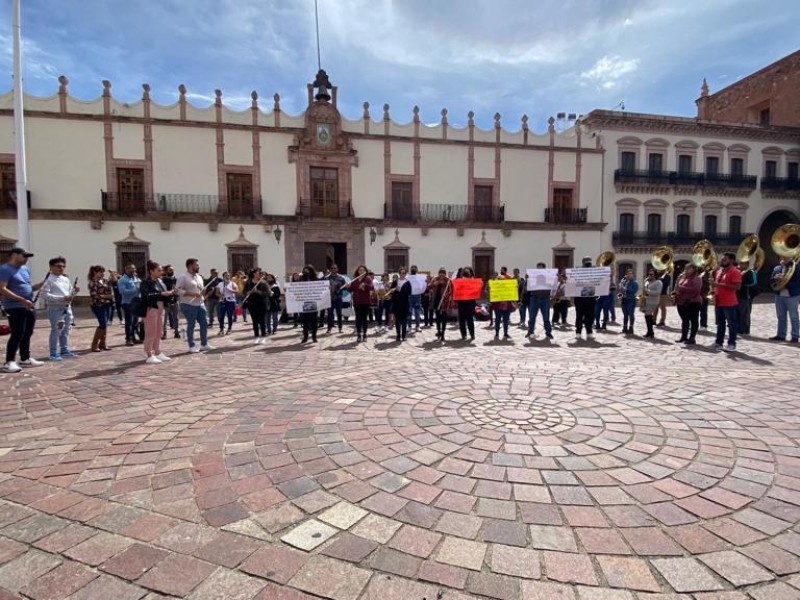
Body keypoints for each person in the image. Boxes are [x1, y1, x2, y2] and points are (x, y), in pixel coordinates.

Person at [0, 247, 44, 373]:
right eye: (24, 256)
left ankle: (25, 358)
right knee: (17, 333)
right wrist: (22, 300)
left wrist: (40, 285)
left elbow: (27, 287)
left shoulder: (24, 269)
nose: (26, 259)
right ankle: (9, 362)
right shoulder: (4, 269)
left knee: (28, 332)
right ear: (14, 255)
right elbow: (2, 289)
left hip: (28, 306)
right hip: (14, 307)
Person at [40, 256, 79, 361]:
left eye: (63, 266)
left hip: (67, 307)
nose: (61, 268)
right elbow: (44, 295)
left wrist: (75, 292)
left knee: (66, 330)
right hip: (55, 308)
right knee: (56, 330)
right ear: (51, 267)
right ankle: (53, 352)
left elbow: (70, 293)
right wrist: (60, 298)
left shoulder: (65, 279)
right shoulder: (48, 280)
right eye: (58, 266)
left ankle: (64, 350)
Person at [175, 258, 216, 354]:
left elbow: (201, 289)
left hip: (200, 303)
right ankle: (192, 345)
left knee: (204, 323)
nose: (199, 266)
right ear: (190, 266)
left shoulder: (199, 277)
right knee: (191, 324)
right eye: (196, 265)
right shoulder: (183, 276)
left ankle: (204, 344)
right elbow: (177, 290)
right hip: (188, 304)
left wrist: (205, 292)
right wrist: (191, 294)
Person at [140, 260, 176, 364]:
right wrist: (161, 294)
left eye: (161, 270)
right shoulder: (146, 282)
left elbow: (163, 295)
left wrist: (171, 294)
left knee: (159, 331)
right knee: (150, 332)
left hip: (161, 308)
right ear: (151, 271)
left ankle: (158, 351)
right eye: (158, 270)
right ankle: (149, 354)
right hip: (151, 308)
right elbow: (145, 296)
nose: (161, 272)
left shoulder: (160, 281)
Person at [709, 252, 742, 352]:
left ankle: (732, 343)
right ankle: (719, 342)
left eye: (725, 259)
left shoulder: (735, 271)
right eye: (722, 259)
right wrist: (713, 291)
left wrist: (718, 285)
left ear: (731, 261)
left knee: (732, 324)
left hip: (729, 302)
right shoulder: (719, 271)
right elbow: (717, 285)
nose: (722, 261)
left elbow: (737, 287)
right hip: (719, 301)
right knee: (720, 324)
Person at [769, 257, 800, 343]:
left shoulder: (797, 268)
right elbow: (771, 280)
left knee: (794, 316)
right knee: (780, 316)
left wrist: (785, 282)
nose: (783, 258)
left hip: (791, 295)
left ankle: (795, 335)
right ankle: (781, 335)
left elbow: (798, 282)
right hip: (779, 295)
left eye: (786, 256)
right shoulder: (777, 268)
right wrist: (775, 278)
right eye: (782, 256)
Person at [87, 265, 114, 352]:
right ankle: (94, 345)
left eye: (103, 272)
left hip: (107, 304)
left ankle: (103, 343)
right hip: (98, 305)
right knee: (102, 324)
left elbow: (114, 281)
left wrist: (113, 274)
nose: (102, 274)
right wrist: (107, 296)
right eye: (100, 272)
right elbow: (94, 295)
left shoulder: (105, 281)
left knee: (105, 324)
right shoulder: (93, 282)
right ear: (95, 272)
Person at [674, 264, 702, 345]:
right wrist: (678, 281)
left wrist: (681, 288)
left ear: (694, 270)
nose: (686, 270)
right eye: (685, 269)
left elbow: (695, 290)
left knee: (694, 320)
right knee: (685, 320)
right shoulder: (683, 278)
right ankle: (684, 336)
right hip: (681, 302)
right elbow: (677, 288)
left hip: (693, 302)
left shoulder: (697, 278)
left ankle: (692, 338)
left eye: (688, 269)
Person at [345, 265, 374, 342]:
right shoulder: (355, 280)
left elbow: (371, 287)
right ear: (357, 271)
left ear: (365, 271)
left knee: (364, 318)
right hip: (357, 302)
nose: (361, 271)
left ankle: (364, 334)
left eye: (363, 270)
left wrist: (365, 285)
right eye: (360, 270)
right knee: (358, 318)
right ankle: (358, 335)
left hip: (365, 301)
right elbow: (351, 290)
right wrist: (347, 286)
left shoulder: (368, 278)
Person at [573, 256, 598, 341]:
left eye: (589, 262)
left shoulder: (595, 271)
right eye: (587, 262)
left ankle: (589, 332)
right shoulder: (577, 271)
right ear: (583, 263)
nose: (588, 264)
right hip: (580, 298)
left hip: (591, 298)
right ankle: (578, 332)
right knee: (579, 316)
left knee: (590, 316)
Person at [527, 262, 553, 339]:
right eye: (538, 268)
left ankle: (548, 332)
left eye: (541, 268)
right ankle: (530, 331)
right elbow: (528, 288)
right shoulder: (533, 277)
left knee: (546, 318)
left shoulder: (549, 277)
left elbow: (552, 286)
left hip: (545, 299)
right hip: (534, 299)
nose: (539, 270)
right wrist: (528, 279)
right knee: (532, 317)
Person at [118, 263, 142, 346]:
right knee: (129, 322)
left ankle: (133, 337)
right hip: (127, 303)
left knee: (135, 322)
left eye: (134, 269)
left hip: (136, 303)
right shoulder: (122, 280)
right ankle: (128, 339)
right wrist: (135, 290)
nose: (133, 270)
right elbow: (123, 291)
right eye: (131, 269)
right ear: (126, 270)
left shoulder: (137, 279)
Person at [243, 269, 268, 344]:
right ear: (254, 274)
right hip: (252, 303)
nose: (260, 274)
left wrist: (258, 291)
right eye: (258, 272)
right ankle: (256, 336)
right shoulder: (249, 282)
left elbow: (267, 293)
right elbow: (244, 292)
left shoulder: (263, 282)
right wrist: (248, 292)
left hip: (262, 303)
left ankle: (263, 336)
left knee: (262, 320)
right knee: (255, 321)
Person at [428, 268, 452, 341]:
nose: (442, 275)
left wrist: (446, 295)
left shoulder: (448, 280)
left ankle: (443, 333)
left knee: (444, 317)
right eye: (440, 273)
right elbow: (429, 286)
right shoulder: (435, 279)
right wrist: (433, 285)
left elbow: (451, 290)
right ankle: (439, 330)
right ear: (439, 274)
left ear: (445, 274)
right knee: (438, 317)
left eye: (443, 273)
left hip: (444, 301)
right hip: (436, 300)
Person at [390, 267, 412, 341]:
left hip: (405, 303)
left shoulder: (407, 282)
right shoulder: (395, 282)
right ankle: (398, 335)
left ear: (405, 274)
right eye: (401, 273)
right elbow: (391, 291)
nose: (402, 274)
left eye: (403, 273)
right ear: (398, 273)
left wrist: (401, 291)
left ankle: (404, 335)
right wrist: (394, 289)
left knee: (404, 321)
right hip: (396, 304)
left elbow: (409, 292)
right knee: (398, 321)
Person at [299, 264, 319, 343]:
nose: (306, 272)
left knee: (314, 320)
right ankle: (305, 336)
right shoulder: (301, 279)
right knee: (305, 321)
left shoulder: (315, 279)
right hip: (304, 302)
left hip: (314, 302)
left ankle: (314, 336)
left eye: (308, 270)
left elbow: (320, 288)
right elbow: (295, 287)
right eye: (305, 270)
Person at [736, 260, 758, 336]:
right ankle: (738, 329)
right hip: (737, 296)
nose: (740, 265)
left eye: (742, 264)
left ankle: (745, 330)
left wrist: (741, 280)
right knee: (737, 313)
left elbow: (753, 282)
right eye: (740, 263)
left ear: (747, 264)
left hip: (745, 296)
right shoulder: (737, 271)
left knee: (745, 314)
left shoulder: (751, 272)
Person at [456, 267, 477, 341]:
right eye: (466, 272)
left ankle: (471, 334)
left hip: (469, 303)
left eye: (467, 272)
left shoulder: (473, 281)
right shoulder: (459, 281)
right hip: (462, 303)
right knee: (463, 320)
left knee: (469, 320)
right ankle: (465, 335)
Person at [491, 272, 514, 340]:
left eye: (502, 280)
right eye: (499, 280)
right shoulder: (495, 288)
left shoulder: (507, 287)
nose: (501, 281)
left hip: (506, 306)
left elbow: (511, 295)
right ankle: (497, 333)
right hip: (498, 306)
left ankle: (505, 333)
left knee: (506, 320)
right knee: (497, 320)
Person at [641, 269, 663, 339]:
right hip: (648, 300)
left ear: (655, 275)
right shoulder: (648, 282)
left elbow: (658, 292)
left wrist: (647, 291)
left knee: (648, 315)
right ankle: (650, 332)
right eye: (649, 274)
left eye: (651, 274)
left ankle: (650, 332)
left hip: (653, 301)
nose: (649, 276)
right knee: (647, 316)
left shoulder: (658, 282)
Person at [160, 265, 180, 340]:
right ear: (166, 271)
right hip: (166, 302)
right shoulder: (163, 280)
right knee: (164, 319)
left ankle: (176, 332)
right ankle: (164, 333)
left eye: (172, 270)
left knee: (176, 318)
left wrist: (177, 292)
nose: (171, 271)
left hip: (174, 301)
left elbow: (179, 289)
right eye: (170, 270)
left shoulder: (176, 280)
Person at [325, 264, 346, 334]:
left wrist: (346, 286)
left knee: (339, 314)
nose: (333, 269)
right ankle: (329, 328)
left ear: (337, 269)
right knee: (330, 314)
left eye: (335, 268)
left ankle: (340, 328)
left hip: (338, 299)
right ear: (330, 269)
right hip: (329, 299)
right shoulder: (326, 278)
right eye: (332, 268)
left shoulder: (341, 278)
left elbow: (345, 287)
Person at [216, 271, 238, 336]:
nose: (227, 276)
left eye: (228, 275)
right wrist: (221, 295)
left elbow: (237, 291)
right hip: (222, 301)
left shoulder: (232, 283)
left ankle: (229, 329)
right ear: (223, 277)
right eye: (226, 275)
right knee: (221, 316)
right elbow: (216, 293)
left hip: (231, 301)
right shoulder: (220, 284)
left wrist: (230, 290)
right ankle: (221, 329)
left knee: (230, 316)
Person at [618, 269, 639, 335]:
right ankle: (624, 328)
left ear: (633, 275)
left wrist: (625, 288)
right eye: (628, 274)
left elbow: (634, 291)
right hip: (624, 299)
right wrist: (620, 292)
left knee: (631, 313)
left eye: (630, 274)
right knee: (625, 315)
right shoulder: (624, 281)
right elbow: (621, 290)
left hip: (631, 300)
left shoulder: (635, 283)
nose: (629, 275)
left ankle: (631, 328)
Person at [407, 265, 423, 332]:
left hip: (417, 297)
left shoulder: (419, 277)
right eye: (412, 268)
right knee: (409, 313)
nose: (413, 269)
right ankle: (409, 326)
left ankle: (417, 326)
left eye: (414, 268)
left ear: (417, 270)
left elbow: (422, 285)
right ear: (410, 269)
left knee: (417, 312)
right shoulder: (407, 277)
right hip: (409, 297)